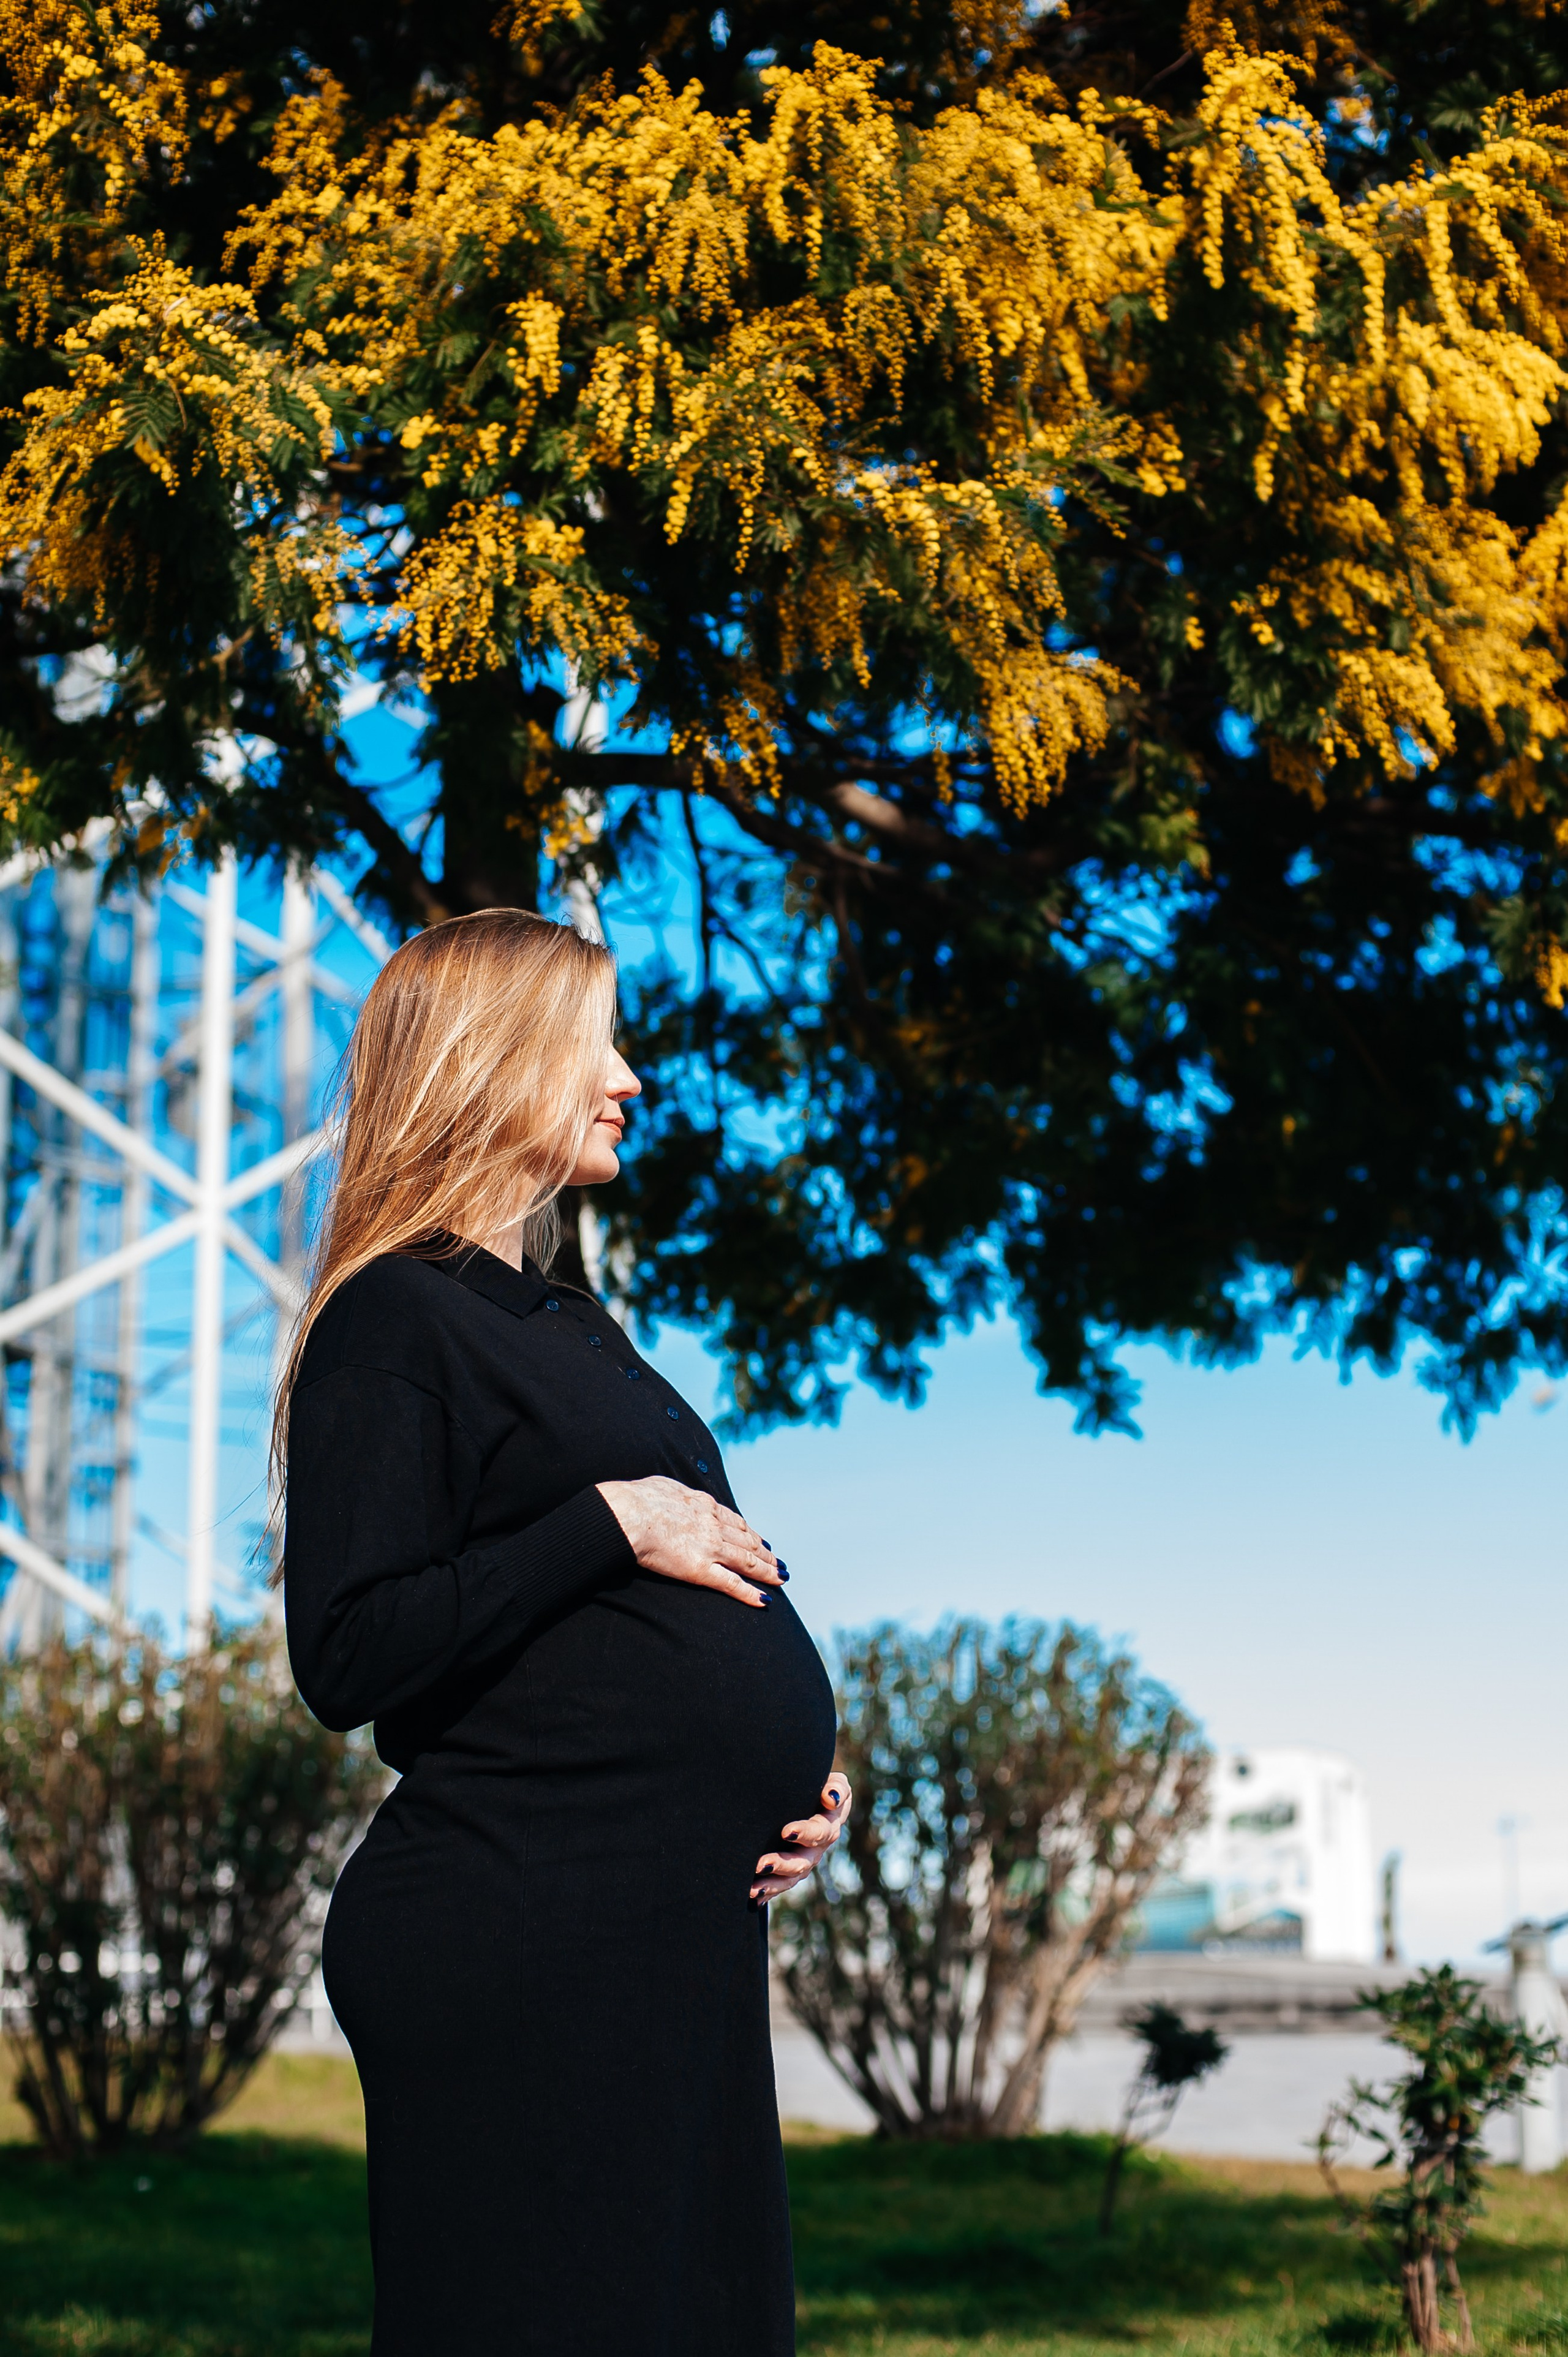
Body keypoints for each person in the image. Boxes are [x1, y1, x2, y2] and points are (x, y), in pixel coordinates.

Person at [276, 908, 849, 2357]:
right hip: (522, 1929)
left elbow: (654, 1623)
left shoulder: (563, 1321)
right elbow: (347, 1651)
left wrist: (797, 1785)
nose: (631, 1078)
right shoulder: (393, 1318)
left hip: (662, 1931)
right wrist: (608, 1521)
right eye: (596, 1042)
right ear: (495, 1057)